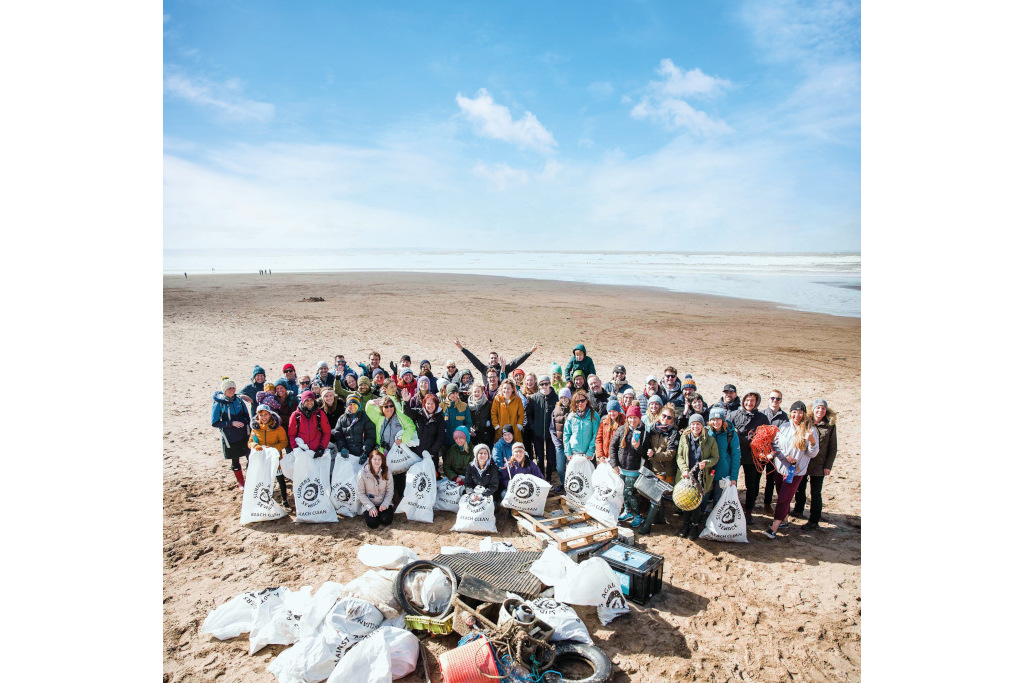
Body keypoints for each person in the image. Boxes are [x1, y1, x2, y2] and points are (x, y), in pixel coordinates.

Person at [764, 402, 819, 539]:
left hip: (795, 472)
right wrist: (784, 456)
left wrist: (812, 442)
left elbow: (813, 454)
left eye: (800, 412)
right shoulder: (784, 427)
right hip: (780, 467)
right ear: (790, 413)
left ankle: (774, 528)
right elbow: (775, 445)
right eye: (794, 412)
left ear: (804, 414)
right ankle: (785, 520)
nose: (797, 415)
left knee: (783, 499)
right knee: (781, 495)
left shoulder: (810, 430)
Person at [634, 404, 681, 534]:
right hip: (653, 468)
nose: (666, 419)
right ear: (660, 415)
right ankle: (660, 519)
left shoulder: (674, 433)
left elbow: (671, 454)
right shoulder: (653, 430)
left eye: (669, 418)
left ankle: (647, 526)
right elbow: (647, 445)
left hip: (666, 470)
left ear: (673, 420)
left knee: (655, 498)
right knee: (655, 496)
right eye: (664, 416)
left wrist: (654, 455)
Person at [792, 398, 838, 530]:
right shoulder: (806, 422)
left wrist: (828, 466)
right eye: (818, 408)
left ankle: (814, 519)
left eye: (823, 408)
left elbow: (833, 448)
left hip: (819, 464)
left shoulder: (830, 426)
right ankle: (798, 510)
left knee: (816, 492)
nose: (820, 410)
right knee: (800, 488)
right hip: (804, 461)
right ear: (813, 409)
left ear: (826, 411)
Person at [675, 414, 720, 539]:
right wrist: (684, 469)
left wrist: (706, 463)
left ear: (702, 426)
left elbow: (715, 458)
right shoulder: (685, 437)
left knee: (697, 503)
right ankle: (686, 524)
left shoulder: (710, 440)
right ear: (690, 425)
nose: (695, 426)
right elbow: (679, 456)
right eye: (693, 424)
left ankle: (694, 526)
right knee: (686, 501)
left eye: (698, 424)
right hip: (687, 476)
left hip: (701, 476)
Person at [729, 391, 770, 525]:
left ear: (756, 402)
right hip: (735, 453)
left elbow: (764, 437)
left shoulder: (762, 418)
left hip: (753, 456)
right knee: (730, 481)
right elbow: (728, 431)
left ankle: (749, 511)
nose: (749, 403)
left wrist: (747, 439)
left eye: (752, 401)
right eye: (747, 400)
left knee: (751, 485)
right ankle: (728, 506)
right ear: (743, 401)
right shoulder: (734, 414)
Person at [609, 405, 649, 524]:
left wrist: (638, 447)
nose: (632, 420)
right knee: (623, 492)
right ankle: (627, 511)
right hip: (621, 468)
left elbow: (646, 454)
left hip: (634, 469)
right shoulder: (621, 429)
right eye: (630, 417)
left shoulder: (644, 433)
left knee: (629, 492)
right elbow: (613, 447)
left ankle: (638, 515)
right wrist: (614, 464)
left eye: (635, 417)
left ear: (640, 418)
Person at [211, 379, 252, 490]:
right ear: (224, 390)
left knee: (250, 457)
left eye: (233, 388)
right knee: (235, 460)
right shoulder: (219, 403)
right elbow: (215, 422)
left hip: (244, 434)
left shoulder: (238, 400)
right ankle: (241, 483)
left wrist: (245, 424)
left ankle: (251, 479)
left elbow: (246, 416)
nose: (232, 390)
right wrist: (231, 423)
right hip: (230, 437)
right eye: (229, 388)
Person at [248, 404, 290, 507]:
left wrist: (272, 449)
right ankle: (266, 500)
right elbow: (250, 442)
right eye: (261, 415)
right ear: (258, 416)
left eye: (265, 414)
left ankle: (285, 501)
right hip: (262, 460)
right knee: (265, 481)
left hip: (276, 459)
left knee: (280, 480)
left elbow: (284, 442)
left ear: (270, 415)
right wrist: (255, 445)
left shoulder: (278, 428)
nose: (263, 417)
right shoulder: (255, 429)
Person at [402, 390, 446, 474]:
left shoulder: (439, 418)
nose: (430, 406)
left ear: (436, 405)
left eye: (432, 403)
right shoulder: (419, 413)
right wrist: (406, 402)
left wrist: (431, 452)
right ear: (424, 404)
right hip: (416, 452)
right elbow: (407, 412)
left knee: (430, 476)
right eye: (428, 403)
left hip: (431, 454)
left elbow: (441, 437)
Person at [706, 405, 741, 508]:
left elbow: (736, 456)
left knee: (719, 500)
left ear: (723, 420)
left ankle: (716, 522)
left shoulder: (731, 434)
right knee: (704, 498)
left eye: (718, 420)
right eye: (713, 420)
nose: (716, 422)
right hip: (707, 472)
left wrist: (734, 477)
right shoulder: (706, 432)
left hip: (723, 473)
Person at [761, 389, 788, 513]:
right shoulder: (762, 414)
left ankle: (767, 503)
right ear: (768, 399)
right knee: (755, 478)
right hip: (761, 453)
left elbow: (784, 437)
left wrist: (773, 453)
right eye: (772, 398)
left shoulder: (784, 417)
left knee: (770, 479)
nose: (774, 401)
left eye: (777, 399)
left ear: (781, 401)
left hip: (775, 453)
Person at [455, 338, 539, 377]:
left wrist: (530, 352)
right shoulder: (484, 369)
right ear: (488, 360)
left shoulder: (505, 368)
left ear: (498, 359)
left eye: (495, 358)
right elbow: (473, 359)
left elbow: (517, 361)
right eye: (491, 358)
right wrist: (461, 348)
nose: (493, 359)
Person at [527, 375, 558, 481]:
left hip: (551, 434)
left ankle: (549, 477)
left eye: (546, 384)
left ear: (550, 384)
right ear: (538, 385)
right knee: (539, 458)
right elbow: (529, 414)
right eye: (542, 384)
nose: (544, 386)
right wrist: (533, 426)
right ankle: (540, 478)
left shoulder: (556, 397)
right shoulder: (534, 398)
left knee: (550, 458)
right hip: (538, 433)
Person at [356, 449, 394, 529]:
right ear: (370, 460)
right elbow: (360, 493)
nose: (377, 462)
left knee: (386, 520)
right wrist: (370, 507)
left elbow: (390, 491)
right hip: (370, 502)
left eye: (379, 459)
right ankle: (373, 513)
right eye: (375, 459)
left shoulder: (387, 472)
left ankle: (383, 513)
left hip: (383, 502)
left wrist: (385, 504)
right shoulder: (362, 473)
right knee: (373, 524)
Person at [332, 395, 375, 464]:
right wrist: (342, 448)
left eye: (355, 404)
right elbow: (339, 436)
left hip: (362, 454)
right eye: (350, 404)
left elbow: (371, 436)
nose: (352, 407)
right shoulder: (342, 419)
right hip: (348, 455)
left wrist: (366, 452)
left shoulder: (365, 417)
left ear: (358, 405)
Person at [288, 391, 331, 456]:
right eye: (307, 400)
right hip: (301, 451)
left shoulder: (320, 414)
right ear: (302, 401)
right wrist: (295, 447)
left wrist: (322, 448)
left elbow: (327, 432)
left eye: (311, 400)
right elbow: (291, 434)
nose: (309, 403)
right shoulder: (295, 415)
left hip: (317, 451)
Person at [562, 390, 599, 462]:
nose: (580, 403)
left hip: (588, 454)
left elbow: (596, 434)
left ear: (586, 401)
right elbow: (566, 434)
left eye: (582, 400)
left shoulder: (594, 415)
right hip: (573, 454)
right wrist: (567, 452)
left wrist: (591, 451)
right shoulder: (571, 416)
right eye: (577, 401)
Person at [549, 387, 573, 492]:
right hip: (559, 445)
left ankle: (571, 485)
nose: (563, 399)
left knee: (570, 467)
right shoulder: (556, 410)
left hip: (571, 445)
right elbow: (552, 428)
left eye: (565, 397)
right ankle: (563, 483)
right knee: (559, 467)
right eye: (561, 397)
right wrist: (556, 442)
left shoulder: (573, 410)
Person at [595, 398, 625, 463]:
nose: (612, 413)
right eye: (610, 411)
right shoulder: (604, 422)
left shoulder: (623, 423)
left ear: (618, 411)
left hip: (617, 459)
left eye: (614, 411)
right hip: (605, 458)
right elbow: (598, 439)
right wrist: (600, 455)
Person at [443, 382, 472, 447]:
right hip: (445, 442)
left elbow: (468, 423)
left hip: (459, 443)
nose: (455, 395)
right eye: (453, 393)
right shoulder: (441, 406)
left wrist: (462, 435)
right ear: (448, 394)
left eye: (456, 393)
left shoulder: (464, 406)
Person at [467, 383, 494, 448]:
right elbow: (466, 420)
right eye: (475, 392)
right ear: (472, 393)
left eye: (478, 391)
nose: (476, 393)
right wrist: (469, 429)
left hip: (486, 436)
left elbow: (492, 418)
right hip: (473, 437)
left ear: (482, 392)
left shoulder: (488, 404)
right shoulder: (467, 406)